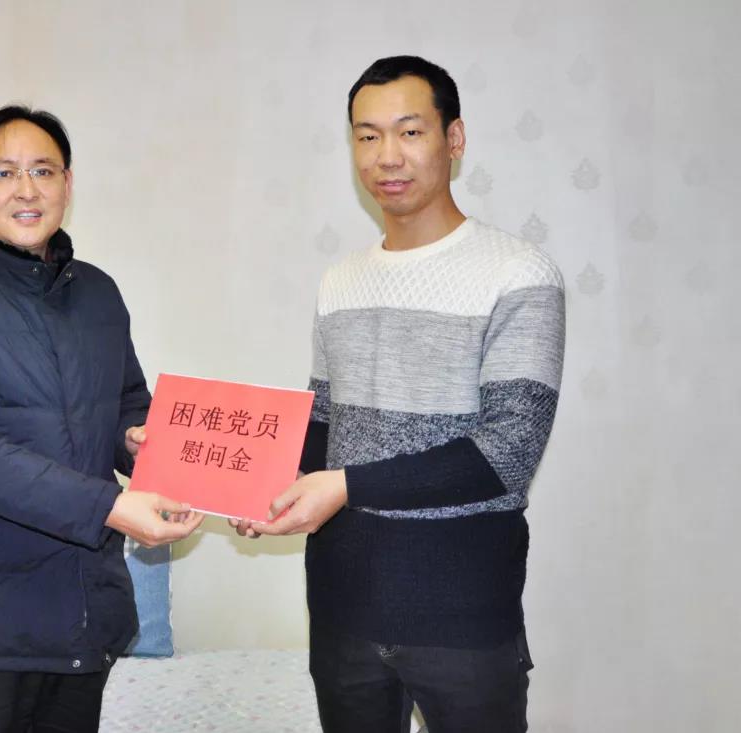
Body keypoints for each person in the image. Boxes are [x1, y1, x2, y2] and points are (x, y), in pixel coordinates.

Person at [233, 56, 565, 733]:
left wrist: (344, 485)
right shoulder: (340, 281)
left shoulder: (518, 273)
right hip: (342, 609)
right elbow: (324, 425)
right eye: (367, 135)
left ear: (454, 138)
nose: (387, 155)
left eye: (410, 132)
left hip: (463, 617)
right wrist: (251, 484)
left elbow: (508, 451)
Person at [0, 105, 202, 733]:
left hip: (82, 613)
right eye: (3, 172)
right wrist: (113, 506)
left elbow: (126, 401)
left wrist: (139, 443)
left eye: (44, 171)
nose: (27, 189)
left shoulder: (98, 292)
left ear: (67, 184)